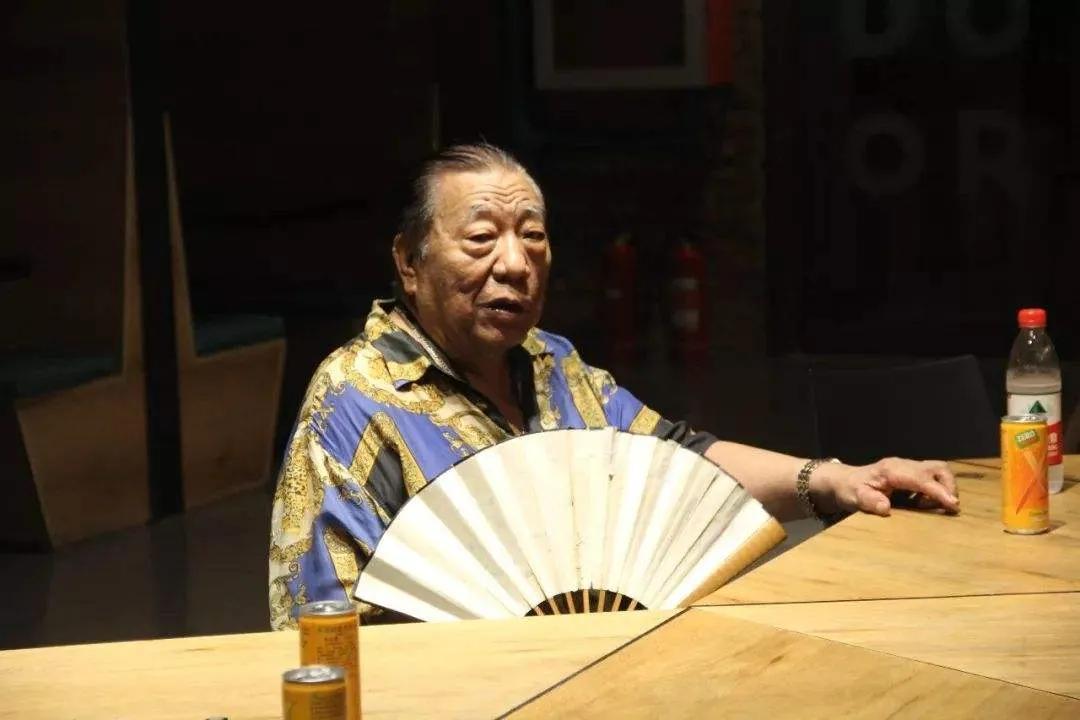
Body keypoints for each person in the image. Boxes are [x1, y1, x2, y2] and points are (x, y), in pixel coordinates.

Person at [268, 143, 959, 630]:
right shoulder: (353, 399)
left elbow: (677, 460)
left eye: (532, 237)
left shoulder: (552, 363)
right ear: (409, 263)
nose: (515, 264)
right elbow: (320, 624)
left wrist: (833, 480)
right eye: (481, 239)